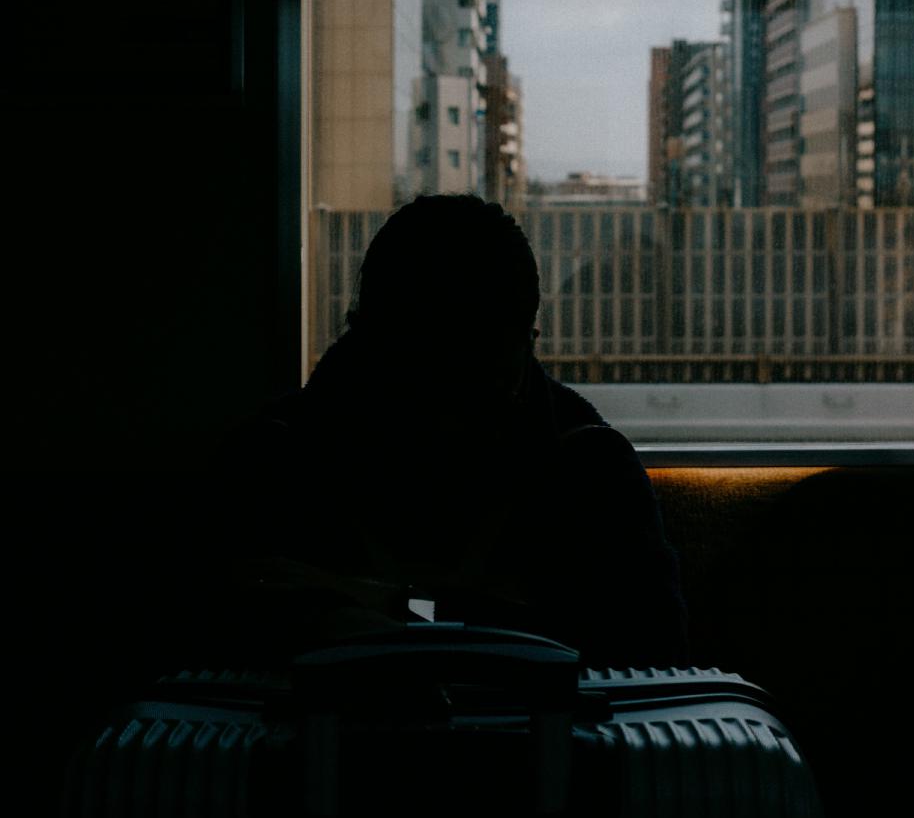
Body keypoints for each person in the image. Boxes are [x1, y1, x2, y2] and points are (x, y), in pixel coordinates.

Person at [195, 194, 688, 671]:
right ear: (527, 343)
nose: (444, 412)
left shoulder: (270, 459)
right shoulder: (592, 467)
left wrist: (382, 606)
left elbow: (211, 637)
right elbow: (644, 652)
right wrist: (432, 609)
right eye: (424, 369)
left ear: (360, 332)